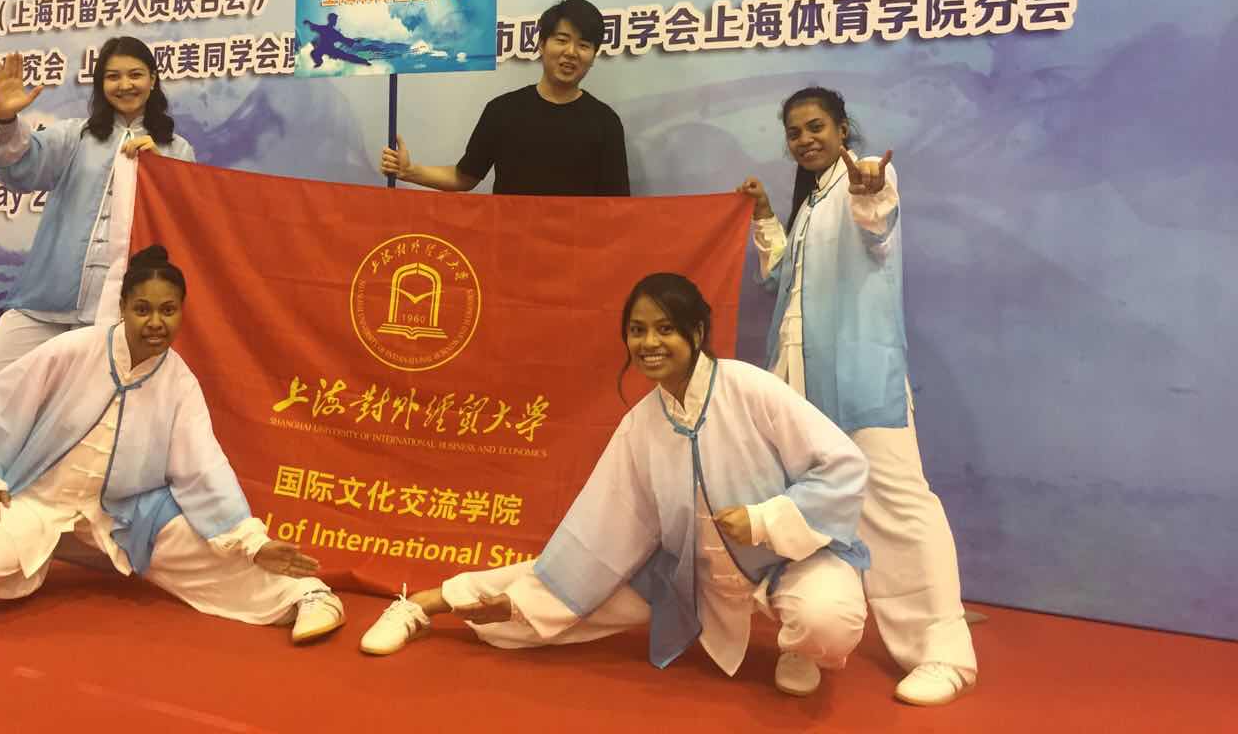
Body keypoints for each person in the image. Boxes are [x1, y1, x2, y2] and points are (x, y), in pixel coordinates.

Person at [358, 273, 870, 700]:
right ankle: (425, 603)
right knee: (551, 607)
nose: (649, 343)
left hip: (792, 561)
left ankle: (801, 650)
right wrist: (520, 603)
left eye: (665, 329)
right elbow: (597, 538)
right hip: (691, 578)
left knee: (828, 620)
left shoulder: (749, 388)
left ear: (696, 331)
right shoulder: (640, 425)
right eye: (637, 330)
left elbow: (843, 466)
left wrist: (764, 519)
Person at [0, 36, 197, 580]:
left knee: (88, 426)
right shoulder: (77, 137)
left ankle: (63, 536)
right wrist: (4, 120)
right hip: (47, 299)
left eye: (135, 74)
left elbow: (188, 216)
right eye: (113, 75)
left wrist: (161, 169)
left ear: (153, 80)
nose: (125, 85)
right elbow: (19, 169)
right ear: (100, 84)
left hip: (115, 316)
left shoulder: (177, 150)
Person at [0, 245, 345, 639]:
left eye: (168, 311)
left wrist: (253, 542)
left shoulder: (180, 383)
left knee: (215, 549)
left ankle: (307, 596)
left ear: (181, 312)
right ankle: (47, 545)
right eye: (142, 310)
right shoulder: (75, 348)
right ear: (122, 308)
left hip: (126, 515)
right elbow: (3, 403)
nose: (155, 322)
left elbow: (204, 468)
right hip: (40, 496)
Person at [737, 86, 977, 707]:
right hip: (794, 386)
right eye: (794, 132)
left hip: (862, 376)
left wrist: (870, 191)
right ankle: (806, 642)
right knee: (806, 514)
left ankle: (942, 652)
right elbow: (779, 278)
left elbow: (879, 225)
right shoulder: (810, 204)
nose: (805, 139)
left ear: (843, 129)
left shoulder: (865, 180)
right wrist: (764, 213)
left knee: (897, 506)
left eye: (816, 126)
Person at [379, 0, 629, 196]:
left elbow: (615, 207)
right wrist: (410, 171)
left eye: (584, 45)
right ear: (542, 45)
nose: (571, 52)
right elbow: (464, 177)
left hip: (575, 245)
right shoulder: (503, 111)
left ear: (593, 56)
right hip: (509, 242)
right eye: (562, 40)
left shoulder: (605, 123)